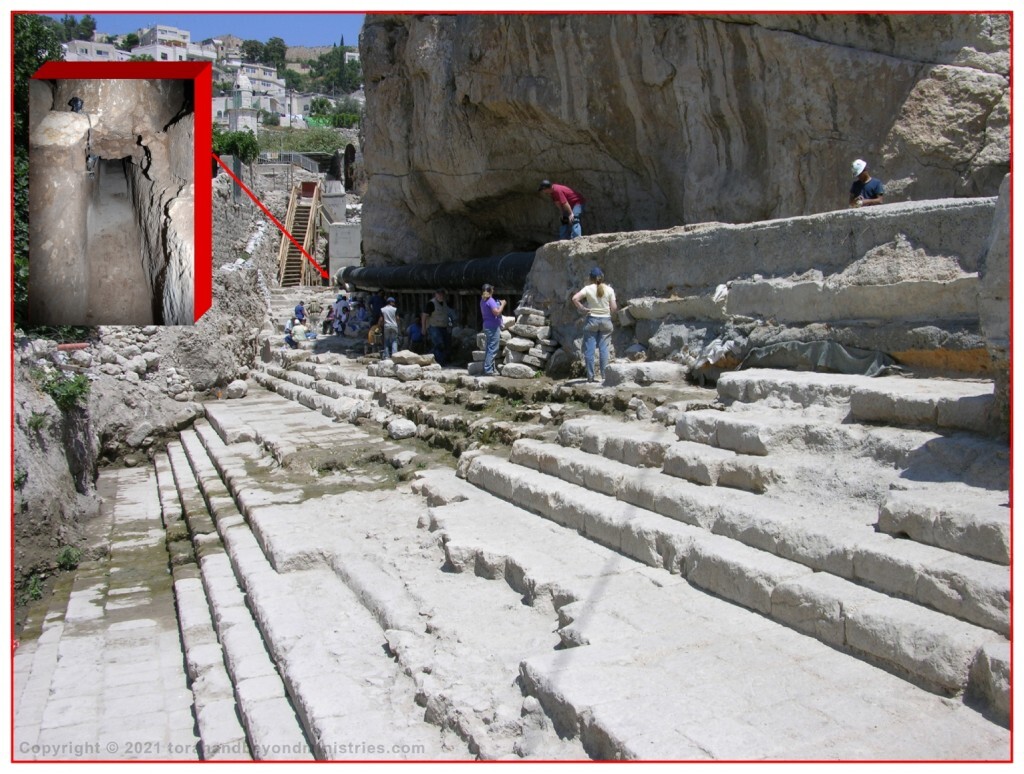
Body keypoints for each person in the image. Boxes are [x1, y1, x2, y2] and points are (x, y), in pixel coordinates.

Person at [571, 267, 617, 383]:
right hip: (606, 320)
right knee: (604, 349)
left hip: (592, 320)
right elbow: (614, 308)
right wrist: (608, 312)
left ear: (590, 278)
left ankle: (590, 377)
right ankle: (604, 376)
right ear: (602, 277)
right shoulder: (609, 289)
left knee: (590, 350)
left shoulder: (588, 289)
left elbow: (575, 298)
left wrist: (583, 308)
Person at [422, 289, 456, 366]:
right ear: (436, 294)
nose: (441, 296)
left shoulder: (445, 303)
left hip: (444, 327)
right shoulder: (431, 303)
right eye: (439, 294)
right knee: (439, 344)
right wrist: (423, 328)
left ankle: (432, 358)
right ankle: (440, 362)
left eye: (442, 294)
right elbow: (424, 316)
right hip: (434, 327)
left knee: (446, 344)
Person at [479, 284, 506, 376]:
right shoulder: (490, 300)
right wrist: (503, 304)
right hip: (493, 327)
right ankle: (488, 370)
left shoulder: (482, 300)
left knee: (489, 348)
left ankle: (489, 368)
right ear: (490, 291)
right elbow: (496, 312)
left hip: (486, 325)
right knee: (493, 348)